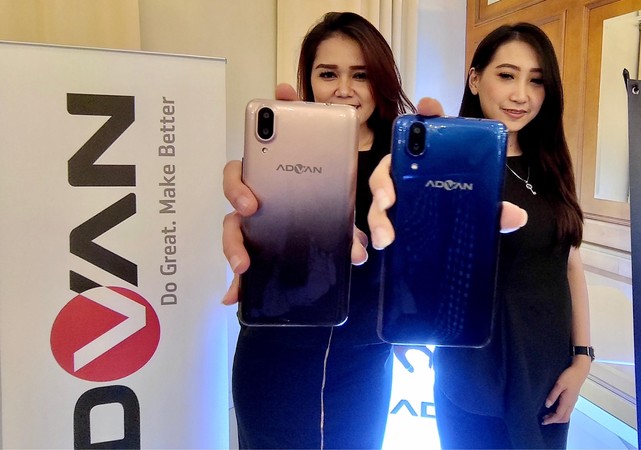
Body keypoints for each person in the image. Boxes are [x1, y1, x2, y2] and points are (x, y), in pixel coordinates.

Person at [367, 23, 592, 449]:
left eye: (536, 81)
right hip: (472, 372)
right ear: (475, 78)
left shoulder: (552, 166)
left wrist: (582, 358)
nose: (521, 95)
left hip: (546, 374)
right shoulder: (448, 165)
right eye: (506, 75)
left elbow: (569, 265)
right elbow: (422, 256)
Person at [221, 12, 415, 449]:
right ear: (309, 80)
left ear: (381, 80)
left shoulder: (404, 164)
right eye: (328, 73)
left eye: (361, 75)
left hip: (362, 366)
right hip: (272, 356)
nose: (344, 89)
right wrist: (246, 225)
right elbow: (254, 233)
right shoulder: (281, 158)